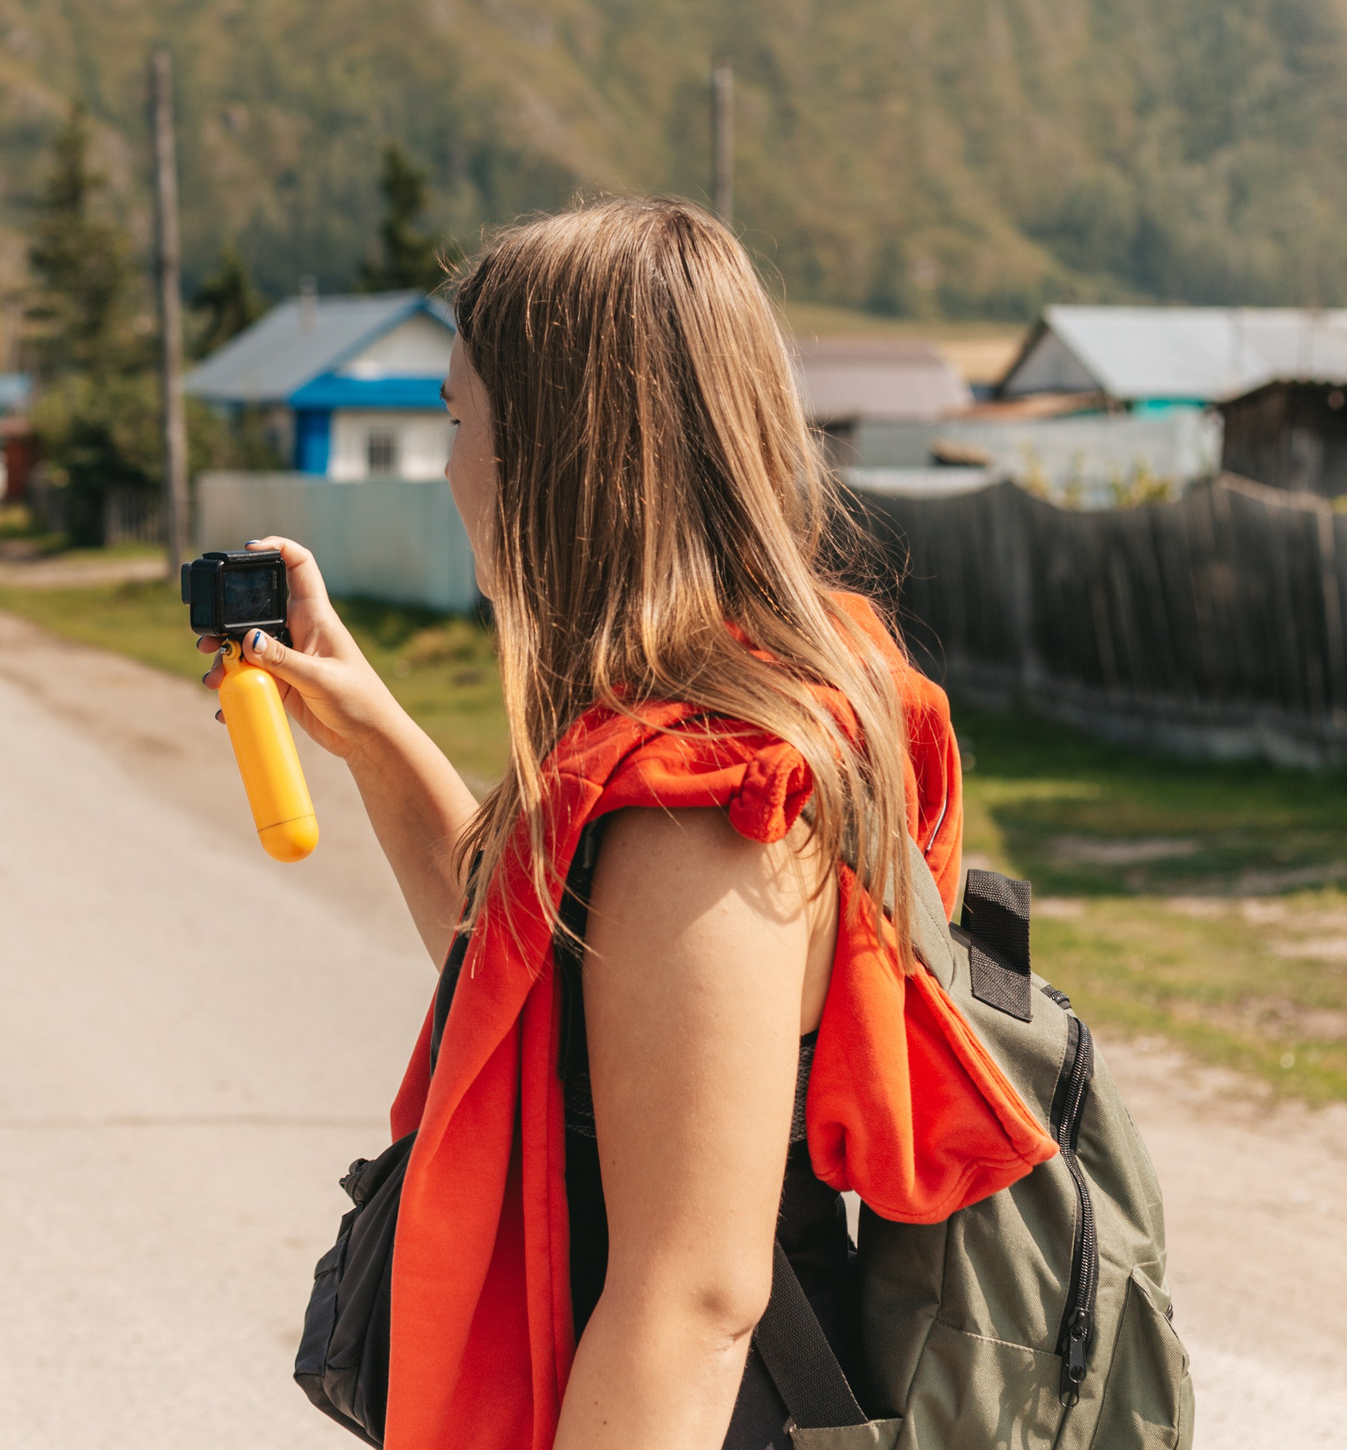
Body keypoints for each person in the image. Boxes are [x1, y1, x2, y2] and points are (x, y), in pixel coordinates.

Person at [203, 198, 1052, 1449]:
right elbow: (543, 987)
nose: (447, 465)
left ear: (555, 450)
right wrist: (374, 729)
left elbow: (692, 1298)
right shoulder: (757, 698)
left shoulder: (707, 806)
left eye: (458, 419)